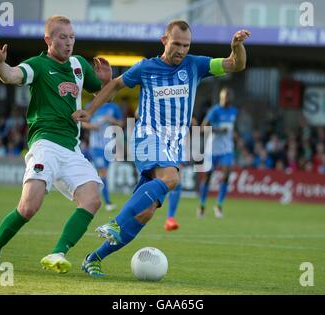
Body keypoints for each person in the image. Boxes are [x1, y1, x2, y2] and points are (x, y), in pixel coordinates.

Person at [72, 20, 250, 276]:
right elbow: (115, 85)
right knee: (172, 177)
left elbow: (237, 64)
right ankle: (115, 222)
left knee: (144, 213)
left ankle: (93, 258)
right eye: (176, 44)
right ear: (164, 40)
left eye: (186, 45)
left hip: (172, 147)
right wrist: (89, 110)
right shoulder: (146, 67)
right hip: (146, 137)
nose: (181, 50)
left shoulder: (195, 65)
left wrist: (237, 46)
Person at [0, 15, 112, 273]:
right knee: (29, 207)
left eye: (72, 37)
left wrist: (105, 81)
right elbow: (12, 76)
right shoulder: (38, 64)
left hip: (72, 149)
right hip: (45, 145)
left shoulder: (79, 65)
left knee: (92, 199)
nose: (69, 42)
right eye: (63, 37)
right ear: (49, 40)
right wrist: (0, 65)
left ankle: (58, 252)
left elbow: (99, 94)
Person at [197, 87, 238, 219]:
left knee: (226, 175)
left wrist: (236, 136)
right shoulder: (215, 110)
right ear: (221, 97)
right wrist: (219, 130)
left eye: (228, 97)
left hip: (227, 149)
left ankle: (218, 205)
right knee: (208, 177)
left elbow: (232, 128)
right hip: (212, 148)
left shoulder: (234, 111)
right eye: (224, 97)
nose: (226, 99)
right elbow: (203, 128)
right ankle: (202, 205)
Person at [82, 101, 124, 211]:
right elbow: (82, 123)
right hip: (96, 146)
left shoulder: (113, 107)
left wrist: (112, 121)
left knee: (102, 175)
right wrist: (91, 126)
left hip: (109, 146)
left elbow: (121, 124)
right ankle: (107, 202)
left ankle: (92, 199)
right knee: (103, 172)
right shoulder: (90, 106)